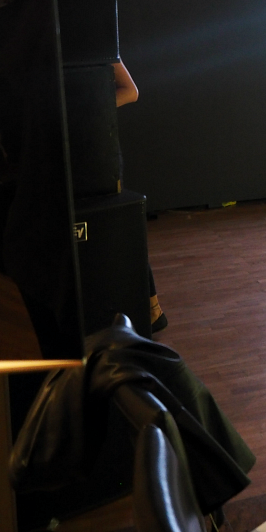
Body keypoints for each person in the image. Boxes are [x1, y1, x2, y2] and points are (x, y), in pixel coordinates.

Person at [112, 58, 167, 332]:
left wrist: (85, 110)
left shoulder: (96, 43)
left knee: (119, 231)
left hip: (98, 150)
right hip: (56, 149)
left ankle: (153, 309)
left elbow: (131, 91)